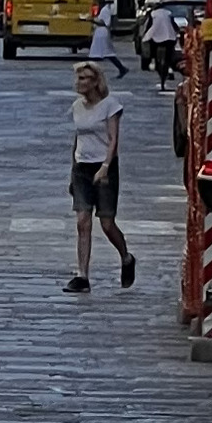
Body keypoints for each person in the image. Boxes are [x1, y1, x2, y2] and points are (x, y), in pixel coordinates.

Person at [65, 57, 134, 294]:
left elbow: (113, 139)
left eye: (84, 78)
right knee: (82, 222)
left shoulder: (109, 106)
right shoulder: (76, 107)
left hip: (104, 167)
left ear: (96, 82)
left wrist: (105, 165)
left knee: (106, 223)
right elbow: (78, 138)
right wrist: (72, 172)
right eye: (78, 78)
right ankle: (82, 275)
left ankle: (126, 257)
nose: (79, 82)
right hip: (82, 167)